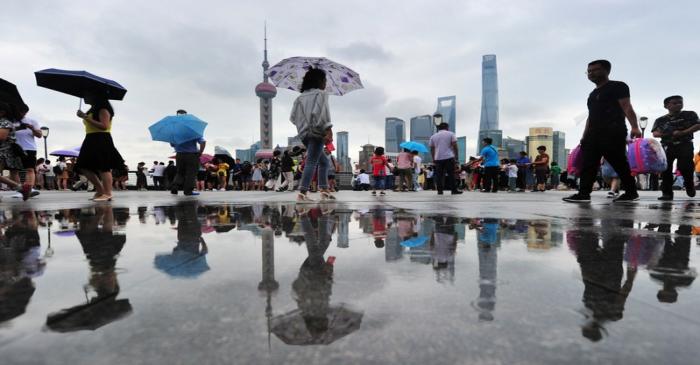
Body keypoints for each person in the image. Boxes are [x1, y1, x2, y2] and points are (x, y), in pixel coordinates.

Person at [564, 60, 641, 203]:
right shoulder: (592, 94)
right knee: (589, 164)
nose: (591, 73)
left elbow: (626, 106)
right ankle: (584, 194)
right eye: (589, 71)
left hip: (613, 132)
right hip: (593, 135)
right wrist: (584, 136)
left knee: (619, 164)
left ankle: (631, 192)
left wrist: (635, 127)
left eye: (595, 70)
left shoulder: (618, 86)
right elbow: (590, 117)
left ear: (607, 71)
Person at [289, 68, 334, 202]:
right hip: (317, 132)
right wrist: (328, 129)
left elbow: (292, 118)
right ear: (319, 80)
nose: (326, 83)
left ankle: (324, 190)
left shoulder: (299, 98)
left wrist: (303, 126)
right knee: (311, 162)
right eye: (325, 80)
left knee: (324, 162)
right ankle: (302, 193)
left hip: (304, 134)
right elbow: (322, 113)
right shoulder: (321, 94)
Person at [74, 94, 124, 202]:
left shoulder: (103, 109)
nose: (85, 97)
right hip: (90, 138)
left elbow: (104, 126)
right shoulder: (92, 109)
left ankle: (108, 193)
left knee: (103, 167)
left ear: (95, 96)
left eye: (87, 94)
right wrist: (85, 116)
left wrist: (85, 117)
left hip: (101, 138)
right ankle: (100, 190)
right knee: (83, 166)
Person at [651, 95, 700, 200]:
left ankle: (689, 184)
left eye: (680, 102)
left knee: (685, 167)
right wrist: (670, 133)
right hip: (667, 146)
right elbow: (655, 133)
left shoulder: (689, 114)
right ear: (667, 106)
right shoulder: (660, 120)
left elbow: (697, 125)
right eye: (675, 103)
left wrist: (683, 132)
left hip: (685, 144)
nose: (678, 104)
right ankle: (667, 193)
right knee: (666, 169)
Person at [169, 111, 206, 196]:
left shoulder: (175, 131)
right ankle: (188, 191)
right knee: (191, 173)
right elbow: (203, 142)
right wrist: (200, 152)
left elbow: (172, 144)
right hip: (192, 155)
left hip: (179, 155)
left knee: (180, 172)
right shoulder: (193, 130)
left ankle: (175, 186)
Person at [0, 102, 32, 199]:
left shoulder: (4, 122)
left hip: (3, 152)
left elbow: (2, 137)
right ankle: (21, 188)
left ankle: (21, 188)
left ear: (2, 112)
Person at [11, 105, 42, 198]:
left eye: (24, 112)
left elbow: (40, 135)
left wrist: (32, 128)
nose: (22, 114)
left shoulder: (32, 121)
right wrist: (18, 128)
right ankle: (19, 190)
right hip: (14, 147)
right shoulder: (11, 121)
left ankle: (29, 189)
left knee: (30, 169)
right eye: (20, 112)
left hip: (29, 148)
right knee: (14, 170)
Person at [429, 122, 462, 195]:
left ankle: (440, 191)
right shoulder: (451, 134)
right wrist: (456, 157)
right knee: (451, 174)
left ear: (438, 128)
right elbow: (455, 146)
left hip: (438, 158)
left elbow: (432, 149)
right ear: (447, 127)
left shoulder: (433, 136)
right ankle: (454, 190)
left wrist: (433, 158)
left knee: (439, 175)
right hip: (449, 157)